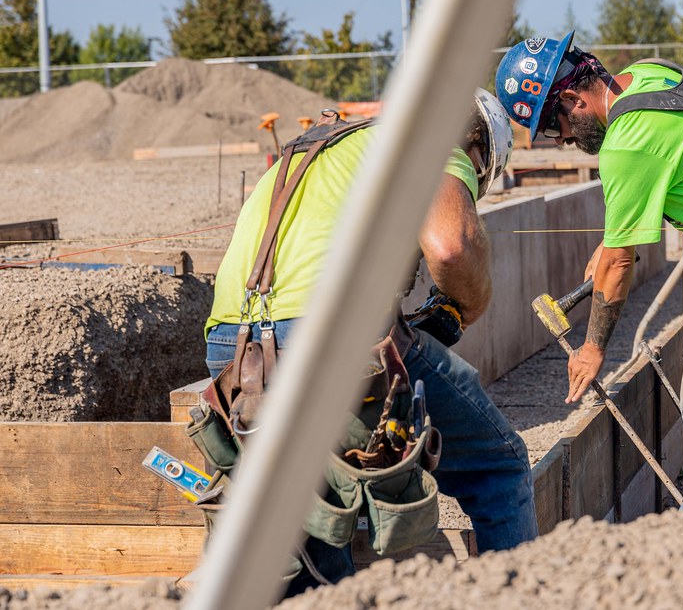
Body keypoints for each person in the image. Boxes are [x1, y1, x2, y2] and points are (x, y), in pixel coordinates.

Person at [202, 89, 538, 595]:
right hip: (336, 342)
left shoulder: (326, 148)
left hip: (234, 350)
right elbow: (451, 246)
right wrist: (463, 307)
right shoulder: (438, 142)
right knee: (499, 467)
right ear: (479, 151)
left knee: (315, 521)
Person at [495, 32, 683, 508]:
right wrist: (611, 238)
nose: (561, 139)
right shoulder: (651, 74)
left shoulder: (624, 146)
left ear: (570, 99)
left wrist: (591, 348)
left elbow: (623, 263)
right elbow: (670, 160)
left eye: (553, 125)